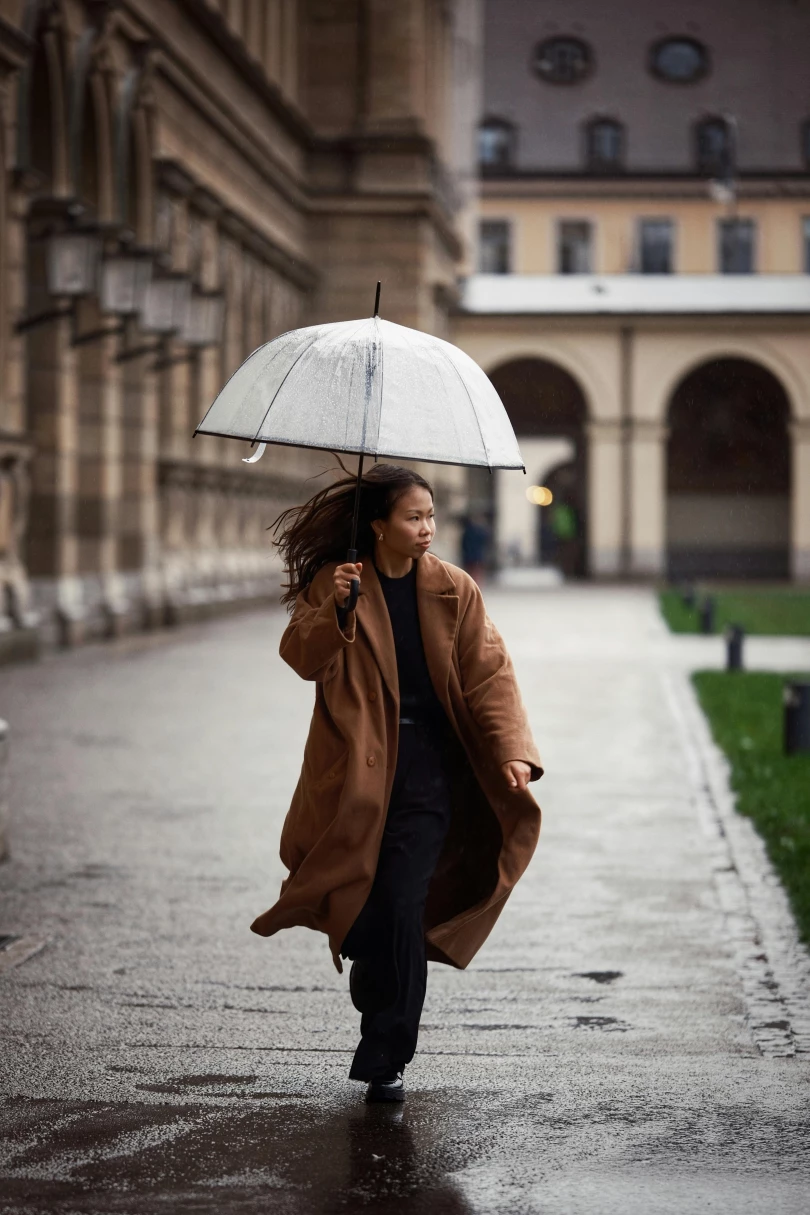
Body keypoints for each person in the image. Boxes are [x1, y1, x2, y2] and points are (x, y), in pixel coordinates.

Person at [251, 461, 543, 1103]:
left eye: (432, 516)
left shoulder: (454, 590)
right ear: (379, 526)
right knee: (369, 909)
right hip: (356, 772)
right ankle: (371, 967)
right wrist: (336, 607)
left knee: (406, 903)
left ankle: (387, 1053)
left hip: (430, 771)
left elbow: (489, 673)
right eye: (414, 518)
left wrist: (511, 750)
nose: (428, 529)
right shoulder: (340, 581)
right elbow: (301, 657)